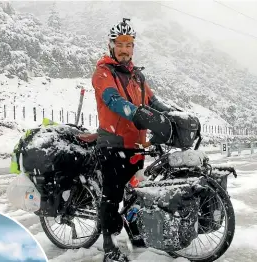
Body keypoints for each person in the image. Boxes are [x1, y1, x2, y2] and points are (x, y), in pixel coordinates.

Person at [91, 18, 173, 262]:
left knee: (135, 193)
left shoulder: (137, 76)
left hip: (136, 145)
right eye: (120, 44)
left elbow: (153, 102)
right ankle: (109, 246)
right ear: (111, 45)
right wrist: (136, 113)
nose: (125, 49)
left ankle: (135, 234)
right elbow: (113, 100)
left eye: (129, 44)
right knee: (112, 195)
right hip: (112, 143)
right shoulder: (103, 72)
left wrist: (171, 114)